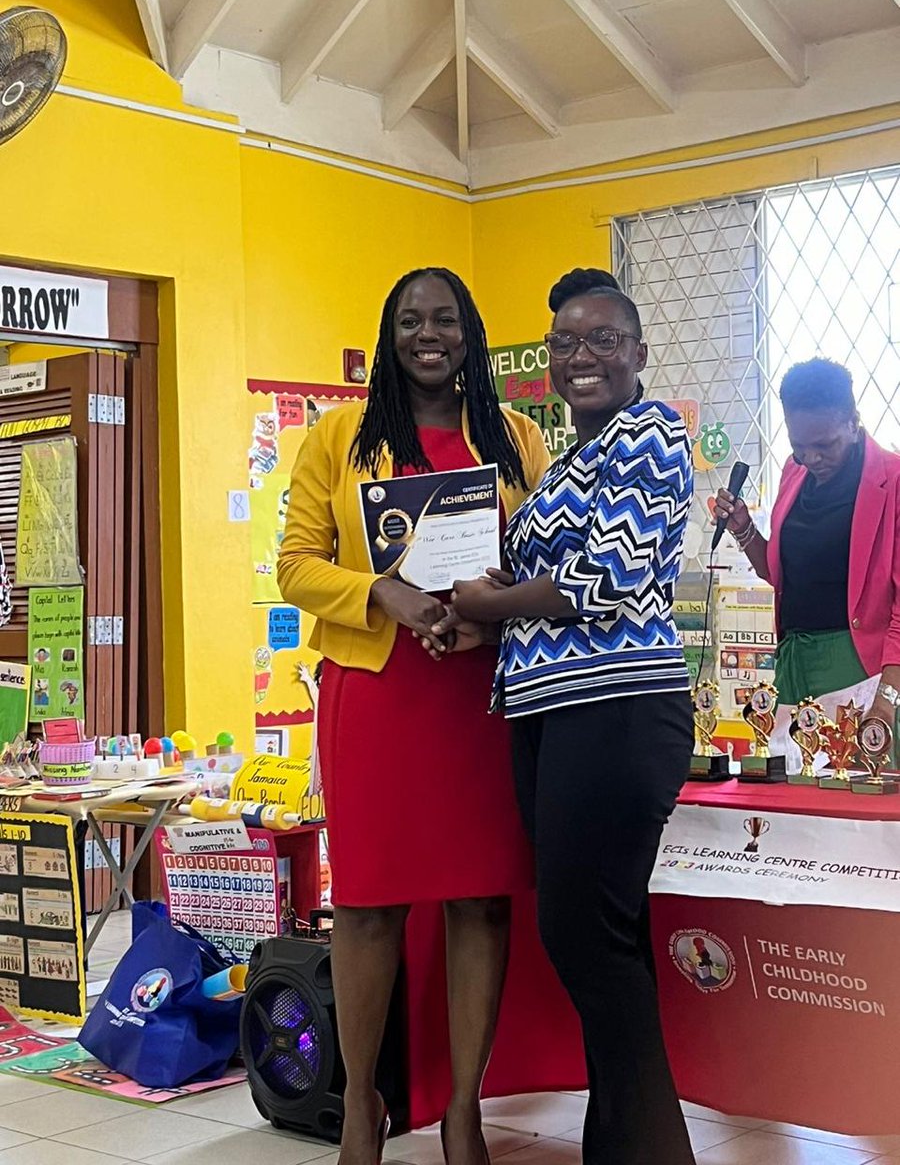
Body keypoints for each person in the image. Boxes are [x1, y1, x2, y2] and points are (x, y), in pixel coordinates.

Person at [277, 267, 549, 1165]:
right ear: (389, 335)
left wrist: (489, 609)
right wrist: (381, 594)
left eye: (445, 321)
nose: (427, 335)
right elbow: (296, 567)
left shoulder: (515, 437)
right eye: (409, 322)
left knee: (480, 900)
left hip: (479, 698)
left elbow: (543, 554)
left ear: (470, 334)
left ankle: (464, 1108)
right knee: (365, 906)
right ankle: (362, 1105)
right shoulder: (339, 437)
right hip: (381, 696)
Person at [439, 268, 697, 1164]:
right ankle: (623, 1147)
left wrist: (490, 605)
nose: (581, 357)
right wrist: (469, 613)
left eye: (602, 341)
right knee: (598, 938)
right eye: (565, 345)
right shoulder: (568, 462)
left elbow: (608, 576)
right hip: (553, 714)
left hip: (620, 711)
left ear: (638, 354)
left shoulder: (654, 433)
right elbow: (525, 585)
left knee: (585, 936)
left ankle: (650, 1150)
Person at [713, 357, 900, 732]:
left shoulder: (892, 480)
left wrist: (888, 698)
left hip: (860, 664)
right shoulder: (793, 471)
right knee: (789, 783)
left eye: (824, 445)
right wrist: (744, 529)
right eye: (799, 445)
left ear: (853, 421)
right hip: (792, 659)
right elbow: (783, 576)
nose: (812, 458)